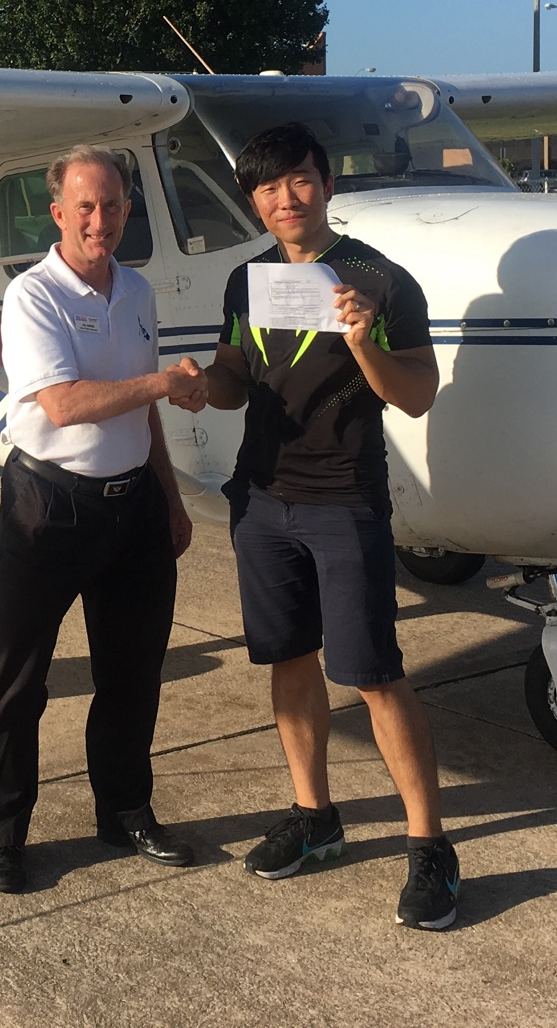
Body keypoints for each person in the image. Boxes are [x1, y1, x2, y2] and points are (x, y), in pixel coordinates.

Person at [198, 121, 461, 930]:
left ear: (327, 184)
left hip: (345, 500)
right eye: (268, 188)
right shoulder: (246, 281)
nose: (287, 198)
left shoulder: (381, 281)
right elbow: (234, 381)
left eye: (300, 179)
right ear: (255, 202)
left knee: (374, 673)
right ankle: (315, 817)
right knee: (288, 658)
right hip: (261, 500)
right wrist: (197, 385)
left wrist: (362, 340)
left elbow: (417, 394)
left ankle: (430, 846)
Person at [0, 145, 205, 894]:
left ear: (128, 211)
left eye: (113, 205)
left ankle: (125, 810)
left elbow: (143, 410)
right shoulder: (32, 296)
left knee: (133, 674)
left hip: (133, 506)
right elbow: (64, 405)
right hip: (48, 507)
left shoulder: (136, 291)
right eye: (86, 206)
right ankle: (3, 834)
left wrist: (170, 498)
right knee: (21, 680)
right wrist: (163, 383)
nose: (100, 219)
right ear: (58, 213)